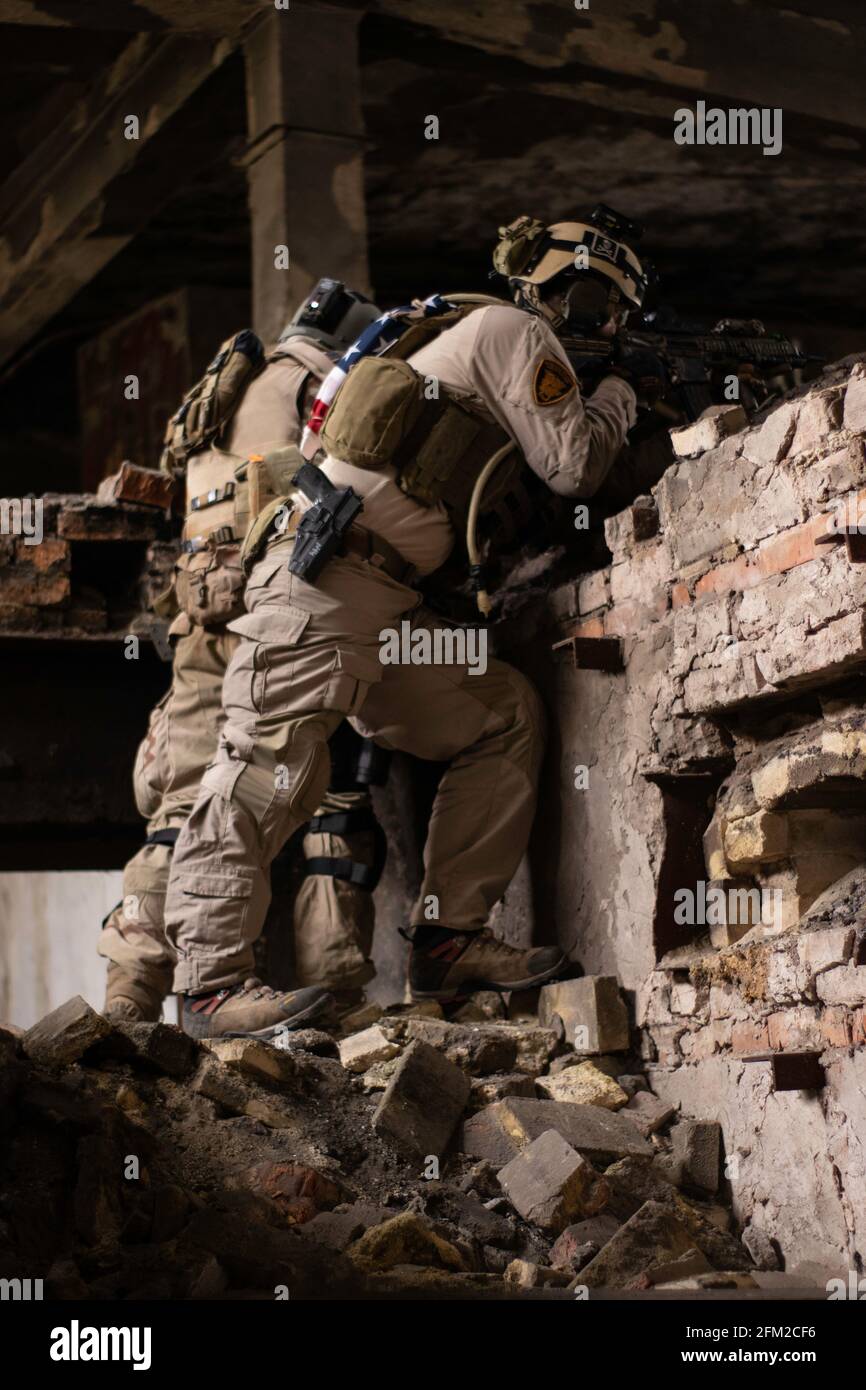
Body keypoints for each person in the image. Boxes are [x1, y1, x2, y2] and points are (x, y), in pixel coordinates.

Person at [163, 207, 658, 1040]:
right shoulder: (510, 330)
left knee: (501, 715)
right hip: (322, 585)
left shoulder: (466, 336)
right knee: (262, 774)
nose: (603, 325)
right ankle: (210, 988)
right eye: (598, 304)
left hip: (385, 607)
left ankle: (447, 943)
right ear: (562, 291)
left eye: (615, 316)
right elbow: (575, 464)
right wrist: (618, 400)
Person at [99, 280, 383, 1026]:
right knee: (327, 794)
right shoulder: (328, 385)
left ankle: (129, 996)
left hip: (201, 614)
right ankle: (336, 996)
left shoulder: (221, 387)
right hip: (280, 609)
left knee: (183, 805)